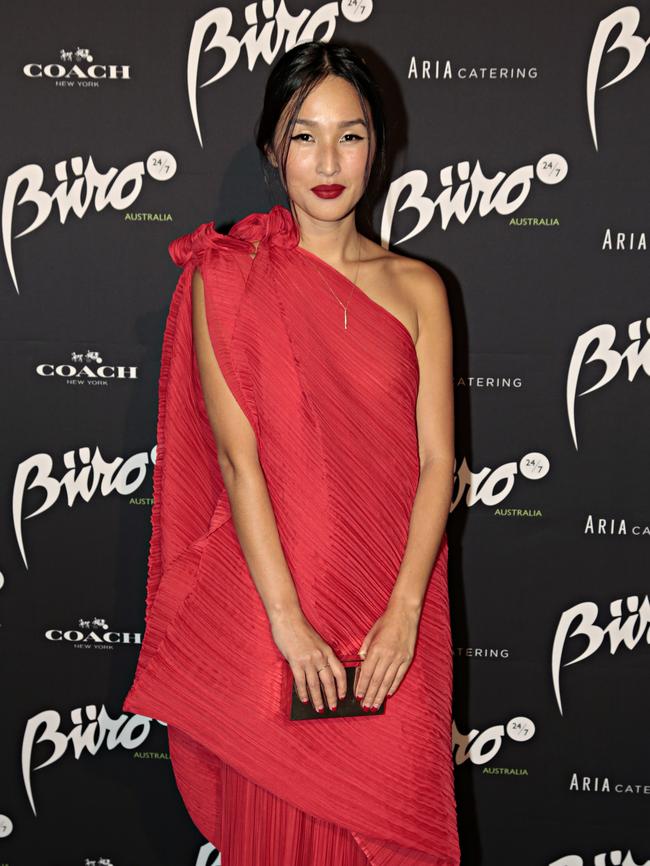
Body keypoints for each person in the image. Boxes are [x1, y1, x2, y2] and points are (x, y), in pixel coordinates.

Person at [122, 40, 460, 866]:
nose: (328, 159)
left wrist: (403, 620)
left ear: (378, 146)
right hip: (274, 618)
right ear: (274, 149)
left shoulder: (419, 288)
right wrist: (290, 630)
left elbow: (436, 466)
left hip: (397, 617)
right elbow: (237, 463)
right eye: (304, 135)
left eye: (350, 134)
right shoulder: (228, 277)